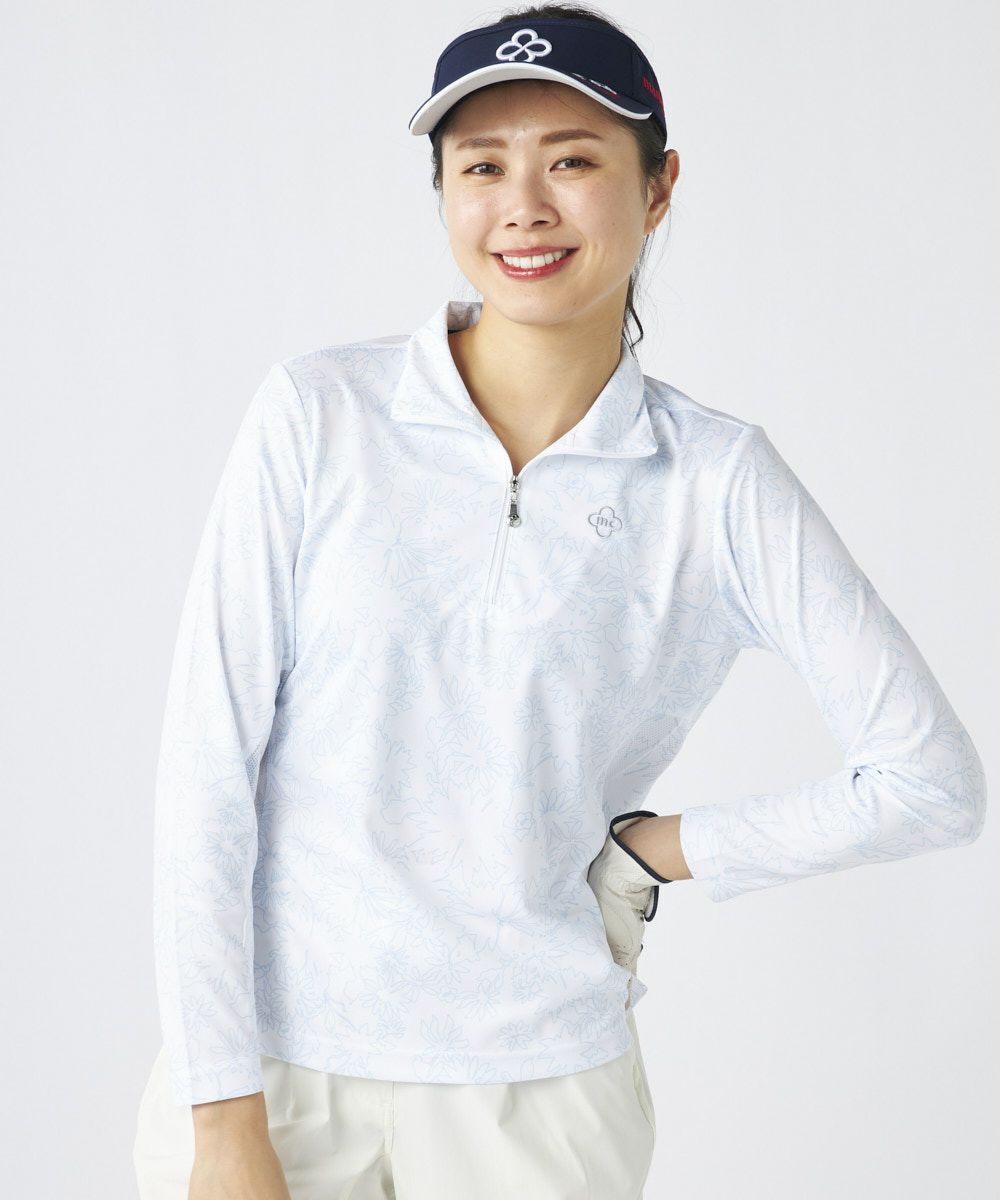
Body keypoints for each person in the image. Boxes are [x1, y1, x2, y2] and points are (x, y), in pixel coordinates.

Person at [132, 4, 987, 1198]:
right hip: (271, 1078)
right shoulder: (318, 417)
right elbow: (206, 773)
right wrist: (223, 1115)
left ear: (658, 187)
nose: (523, 207)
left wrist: (658, 851)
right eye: (482, 166)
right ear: (441, 192)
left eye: (573, 161)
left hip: (539, 1102)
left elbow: (929, 781)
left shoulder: (714, 481)